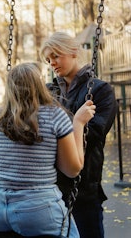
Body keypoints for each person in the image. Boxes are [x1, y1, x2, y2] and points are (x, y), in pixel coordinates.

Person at [0, 62, 96, 237]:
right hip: (37, 208)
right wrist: (79, 123)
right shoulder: (55, 115)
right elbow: (72, 169)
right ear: (39, 85)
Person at [40, 32, 117, 238]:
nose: (52, 63)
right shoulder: (48, 92)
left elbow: (94, 135)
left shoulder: (101, 91)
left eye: (56, 56)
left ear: (73, 52)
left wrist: (73, 126)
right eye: (48, 60)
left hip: (84, 184)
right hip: (51, 184)